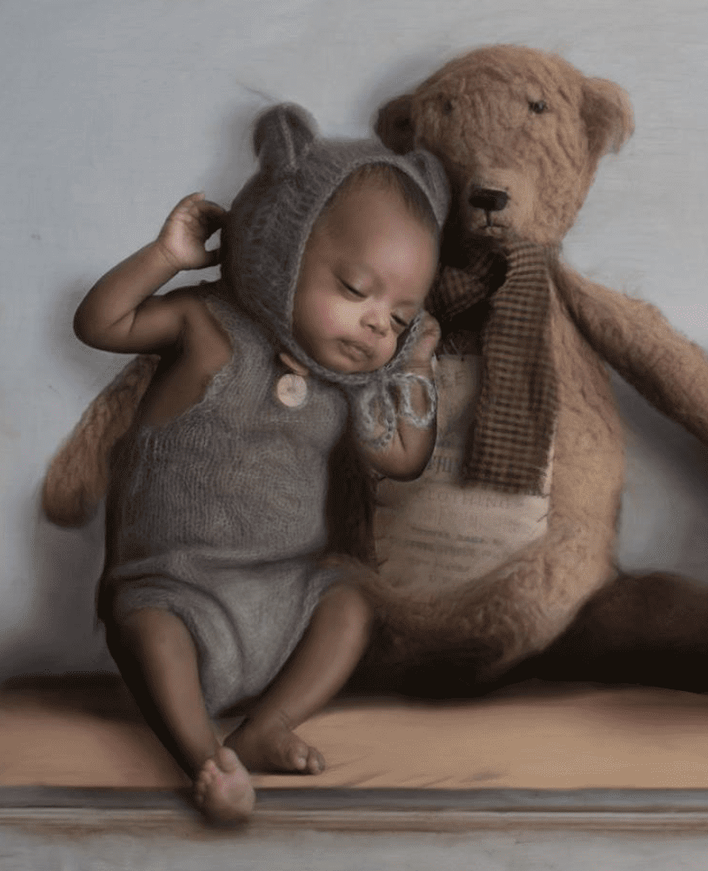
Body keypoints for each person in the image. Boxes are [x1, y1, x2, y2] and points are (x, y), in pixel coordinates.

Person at [73, 105, 448, 822]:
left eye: (399, 316)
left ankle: (266, 727)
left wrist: (415, 365)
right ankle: (204, 760)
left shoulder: (350, 386)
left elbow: (403, 458)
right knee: (146, 629)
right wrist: (165, 257)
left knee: (351, 601)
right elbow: (100, 323)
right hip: (177, 588)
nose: (377, 322)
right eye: (355, 289)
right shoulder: (207, 325)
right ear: (283, 250)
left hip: (284, 594)